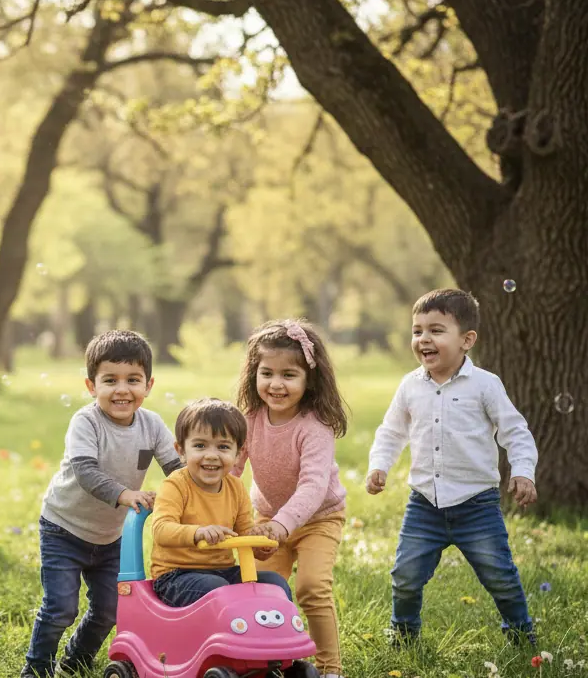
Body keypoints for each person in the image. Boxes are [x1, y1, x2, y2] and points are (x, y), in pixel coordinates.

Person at [367, 288, 538, 645]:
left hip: (477, 505)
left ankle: (521, 635)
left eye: (436, 330)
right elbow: (391, 431)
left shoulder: (485, 385)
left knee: (500, 575)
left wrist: (523, 470)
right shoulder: (410, 386)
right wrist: (379, 465)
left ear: (466, 340)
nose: (424, 339)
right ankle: (403, 634)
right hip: (424, 505)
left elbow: (515, 432)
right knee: (405, 574)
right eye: (417, 331)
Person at [21, 330, 182, 678]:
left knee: (111, 608)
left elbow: (177, 470)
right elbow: (85, 471)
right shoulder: (86, 421)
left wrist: (203, 484)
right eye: (110, 380)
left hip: (111, 538)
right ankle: (36, 668)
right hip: (64, 529)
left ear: (149, 385)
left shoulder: (152, 424)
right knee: (60, 608)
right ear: (91, 386)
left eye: (133, 380)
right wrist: (126, 494)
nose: (122, 389)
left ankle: (76, 659)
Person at [232, 319, 349, 678]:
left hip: (318, 519)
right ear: (254, 373)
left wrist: (283, 525)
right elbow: (230, 470)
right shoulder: (250, 419)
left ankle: (330, 669)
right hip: (267, 521)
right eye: (266, 373)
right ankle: (263, 661)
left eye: (289, 375)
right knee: (257, 590)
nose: (276, 384)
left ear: (309, 379)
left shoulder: (315, 426)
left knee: (311, 586)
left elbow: (313, 486)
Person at [150, 398, 292, 607]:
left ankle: (271, 636)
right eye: (200, 446)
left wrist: (259, 545)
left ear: (238, 453)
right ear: (180, 450)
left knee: (274, 583)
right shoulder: (176, 485)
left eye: (223, 447)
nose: (211, 456)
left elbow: (244, 534)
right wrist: (198, 532)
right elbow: (161, 530)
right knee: (216, 587)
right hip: (175, 577)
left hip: (222, 573)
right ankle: (231, 634)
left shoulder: (235, 487)